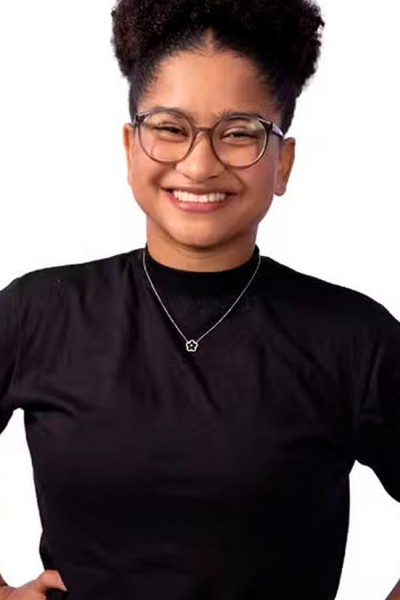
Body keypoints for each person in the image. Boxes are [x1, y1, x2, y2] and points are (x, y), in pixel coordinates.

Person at [0, 0, 399, 598]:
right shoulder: (39, 312)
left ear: (283, 163)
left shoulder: (354, 339)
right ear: (131, 147)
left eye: (240, 133)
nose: (200, 163)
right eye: (170, 128)